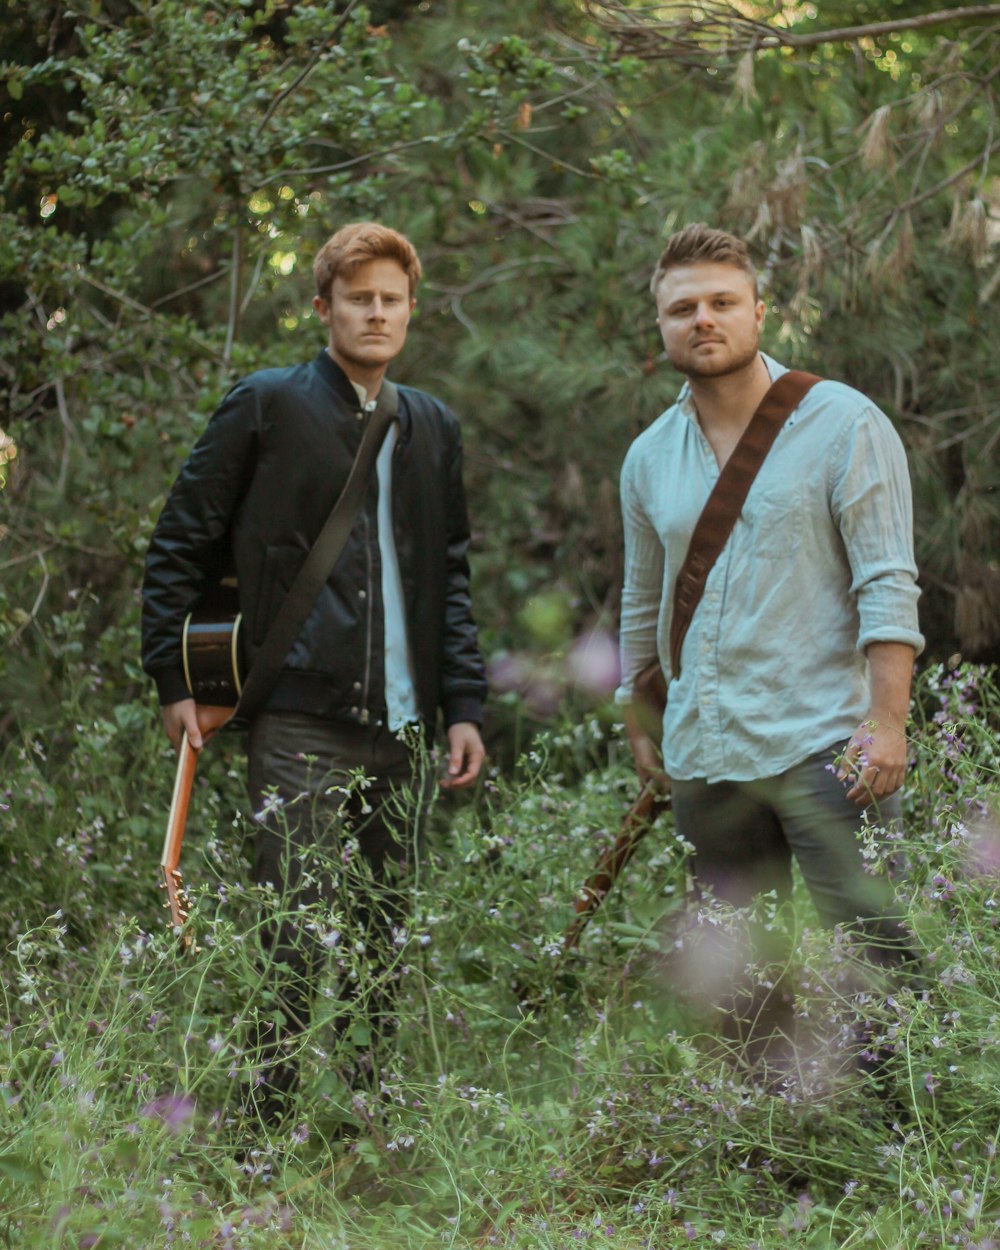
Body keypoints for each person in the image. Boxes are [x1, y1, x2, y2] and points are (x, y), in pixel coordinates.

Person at [141, 222, 487, 1128]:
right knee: (293, 928)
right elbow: (181, 541)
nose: (376, 313)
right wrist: (173, 679)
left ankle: (370, 1121)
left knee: (384, 928)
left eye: (392, 300)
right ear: (322, 306)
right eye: (359, 297)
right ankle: (261, 1132)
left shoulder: (433, 425)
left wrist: (465, 705)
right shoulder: (265, 404)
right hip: (297, 715)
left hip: (404, 725)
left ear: (412, 311)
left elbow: (447, 574)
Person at [616, 223, 923, 1072]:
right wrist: (637, 712)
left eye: (721, 302)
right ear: (662, 326)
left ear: (759, 310)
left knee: (876, 955)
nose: (702, 319)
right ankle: (769, 1157)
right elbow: (642, 596)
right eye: (683, 308)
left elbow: (888, 582)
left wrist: (887, 721)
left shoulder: (843, 423)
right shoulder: (648, 458)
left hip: (828, 740)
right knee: (740, 975)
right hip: (709, 755)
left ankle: (903, 1148)